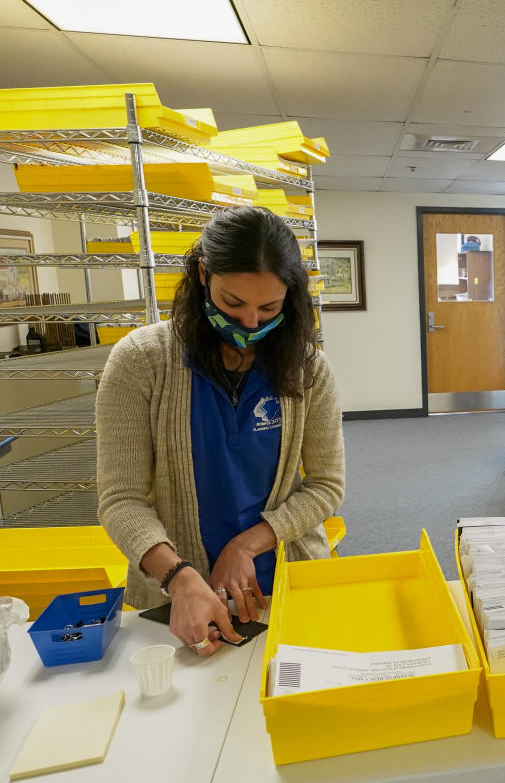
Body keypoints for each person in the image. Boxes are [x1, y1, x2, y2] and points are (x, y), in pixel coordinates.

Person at [96, 206, 345, 657]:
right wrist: (179, 576)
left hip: (286, 582)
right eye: (233, 303)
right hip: (175, 596)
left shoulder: (308, 369)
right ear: (202, 273)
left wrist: (248, 544)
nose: (251, 323)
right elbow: (121, 500)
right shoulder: (140, 361)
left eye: (269, 307)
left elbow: (326, 486)